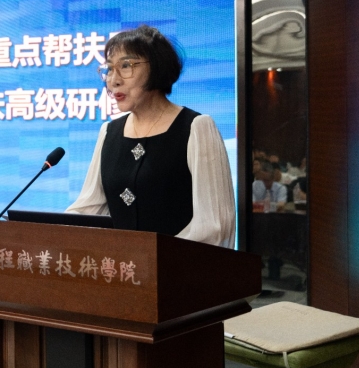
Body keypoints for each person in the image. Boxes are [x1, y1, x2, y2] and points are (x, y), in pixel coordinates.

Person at [66, 25, 236, 248]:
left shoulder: (195, 127)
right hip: (120, 266)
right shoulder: (109, 132)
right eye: (109, 69)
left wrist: (153, 258)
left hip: (175, 267)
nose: (113, 80)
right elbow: (89, 208)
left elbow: (215, 226)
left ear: (157, 67)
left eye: (125, 66)